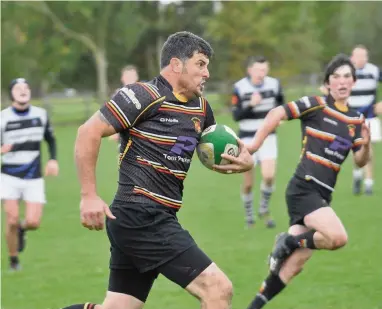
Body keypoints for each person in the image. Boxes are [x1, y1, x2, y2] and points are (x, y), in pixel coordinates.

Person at [61, 31, 253, 309]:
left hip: (152, 217)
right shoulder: (143, 94)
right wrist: (89, 194)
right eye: (200, 64)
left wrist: (247, 162)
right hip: (140, 214)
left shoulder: (201, 109)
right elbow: (88, 131)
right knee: (217, 288)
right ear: (177, 64)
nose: (207, 73)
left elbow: (225, 151)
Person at [217, 54, 371, 308]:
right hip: (304, 188)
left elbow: (360, 161)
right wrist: (254, 145)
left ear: (353, 82)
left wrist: (366, 146)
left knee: (292, 267)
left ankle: (253, 306)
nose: (342, 81)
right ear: (328, 83)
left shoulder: (356, 121)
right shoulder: (316, 105)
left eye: (347, 76)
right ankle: (288, 240)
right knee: (337, 237)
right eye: (336, 77)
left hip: (322, 196)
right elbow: (278, 111)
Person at [1, 78, 59, 271]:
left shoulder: (40, 115)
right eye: (18, 88)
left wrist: (52, 160)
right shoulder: (3, 118)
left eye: (26, 87)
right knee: (11, 218)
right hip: (9, 175)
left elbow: (50, 140)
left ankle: (21, 229)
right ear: (12, 94)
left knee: (33, 222)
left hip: (33, 176)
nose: (23, 91)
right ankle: (14, 260)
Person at [320, 45, 382, 195]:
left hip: (369, 117)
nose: (362, 59)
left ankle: (368, 183)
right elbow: (327, 88)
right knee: (344, 148)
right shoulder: (344, 72)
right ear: (352, 57)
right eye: (359, 56)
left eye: (365, 56)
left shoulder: (374, 70)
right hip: (349, 117)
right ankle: (357, 175)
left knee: (368, 148)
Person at [232, 56, 285, 228]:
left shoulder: (274, 85)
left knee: (269, 176)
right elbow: (236, 116)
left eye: (264, 69)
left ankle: (263, 208)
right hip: (246, 138)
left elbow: (281, 105)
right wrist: (251, 105)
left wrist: (281, 117)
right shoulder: (240, 87)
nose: (262, 73)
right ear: (250, 71)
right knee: (248, 183)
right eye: (258, 69)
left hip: (268, 136)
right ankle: (249, 216)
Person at [109, 65, 140, 143]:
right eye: (127, 77)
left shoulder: (144, 94)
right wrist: (114, 131)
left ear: (136, 78)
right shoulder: (117, 95)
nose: (130, 79)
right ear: (122, 78)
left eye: (132, 76)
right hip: (124, 136)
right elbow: (112, 114)